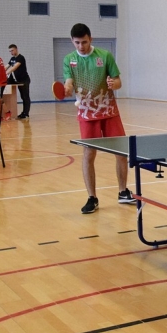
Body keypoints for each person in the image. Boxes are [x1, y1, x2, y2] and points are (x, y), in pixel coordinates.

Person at [64, 23, 136, 214]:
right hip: (87, 115)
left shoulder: (105, 56)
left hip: (110, 111)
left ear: (91, 39)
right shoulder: (69, 60)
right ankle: (92, 198)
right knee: (89, 155)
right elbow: (68, 81)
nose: (81, 46)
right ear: (72, 41)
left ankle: (123, 192)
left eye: (84, 42)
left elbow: (118, 81)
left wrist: (114, 84)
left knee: (121, 153)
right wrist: (68, 87)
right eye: (77, 43)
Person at [6, 44, 31, 119]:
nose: (11, 52)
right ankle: (22, 113)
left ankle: (25, 113)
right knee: (22, 96)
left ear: (16, 49)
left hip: (24, 80)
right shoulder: (12, 58)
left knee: (25, 97)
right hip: (18, 80)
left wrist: (6, 73)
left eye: (12, 50)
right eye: (10, 51)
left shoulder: (21, 58)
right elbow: (6, 66)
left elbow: (14, 67)